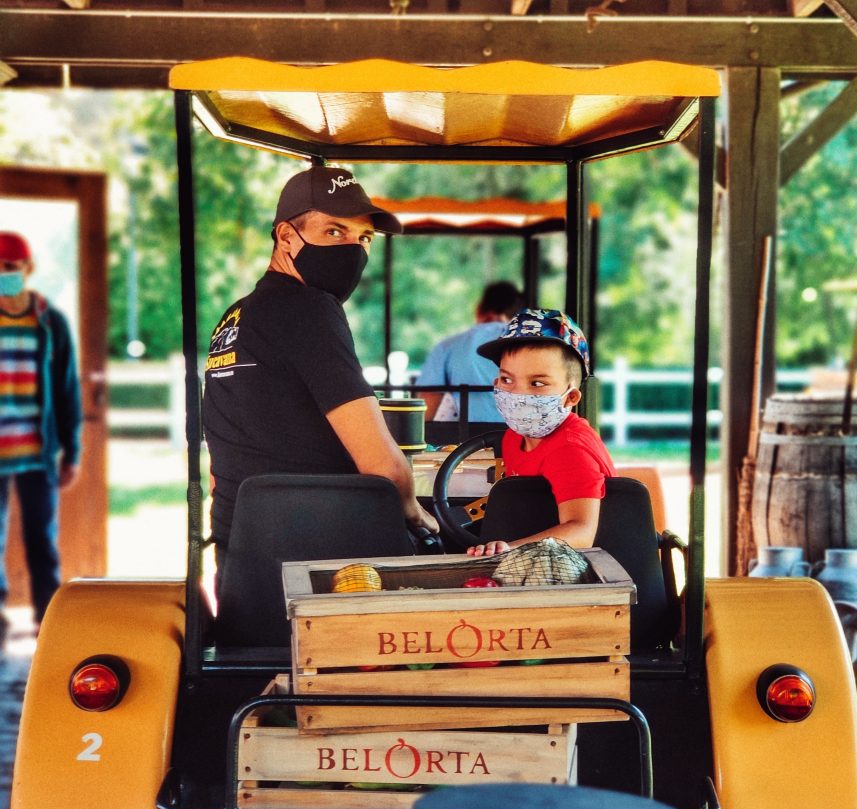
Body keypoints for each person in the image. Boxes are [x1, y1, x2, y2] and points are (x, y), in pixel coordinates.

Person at [202, 165, 438, 587]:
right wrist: (420, 516)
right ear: (286, 237)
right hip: (321, 565)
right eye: (334, 231)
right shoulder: (310, 309)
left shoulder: (237, 316)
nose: (353, 248)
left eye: (363, 238)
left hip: (241, 557)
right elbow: (384, 467)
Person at [466, 308, 616, 557]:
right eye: (506, 379)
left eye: (537, 383)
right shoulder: (514, 437)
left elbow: (581, 531)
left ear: (571, 398)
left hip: (588, 570)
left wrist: (507, 549)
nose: (518, 394)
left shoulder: (570, 448)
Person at [0, 232, 82, 640]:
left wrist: (73, 451)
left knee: (42, 542)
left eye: (10, 268)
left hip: (37, 451)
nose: (3, 275)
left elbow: (67, 389)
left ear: (27, 269)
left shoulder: (49, 322)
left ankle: (47, 621)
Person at [415, 280, 524, 423]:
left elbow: (424, 414)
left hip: (472, 440)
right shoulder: (529, 343)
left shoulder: (447, 347)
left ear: (479, 309)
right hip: (523, 438)